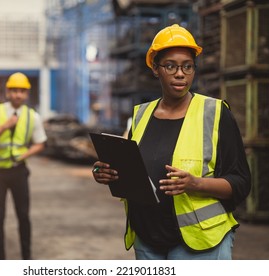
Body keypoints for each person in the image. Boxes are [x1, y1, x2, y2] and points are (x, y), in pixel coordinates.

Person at [92, 24, 251, 260]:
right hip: (147, 240)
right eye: (171, 66)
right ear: (155, 68)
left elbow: (241, 182)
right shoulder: (141, 114)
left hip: (199, 243)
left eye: (188, 66)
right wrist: (102, 171)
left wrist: (196, 184)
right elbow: (134, 169)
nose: (180, 73)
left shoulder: (215, 113)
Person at [0, 72, 47, 260]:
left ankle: (27, 260)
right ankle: (0, 261)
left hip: (19, 172)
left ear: (27, 94)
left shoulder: (32, 116)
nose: (18, 94)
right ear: (8, 92)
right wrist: (4, 126)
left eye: (22, 91)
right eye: (14, 90)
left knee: (23, 216)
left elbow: (41, 142)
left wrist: (25, 154)